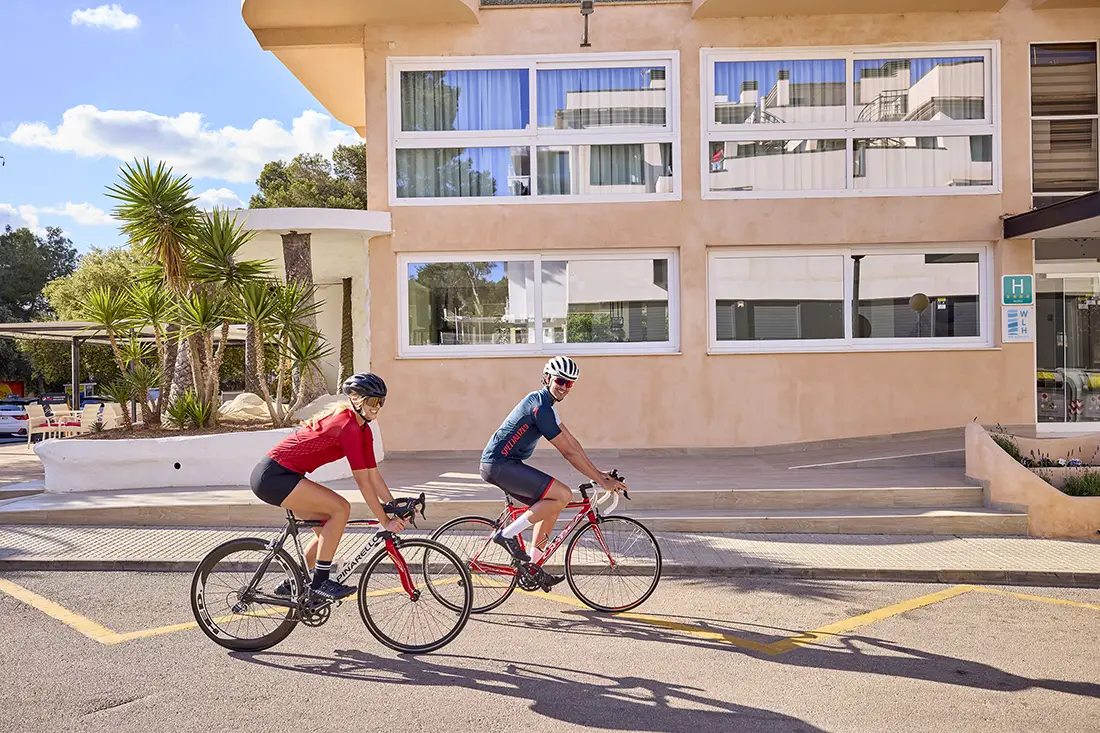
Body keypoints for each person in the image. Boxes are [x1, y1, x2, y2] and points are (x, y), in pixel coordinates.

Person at [249, 372, 405, 602]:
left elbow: (373, 476)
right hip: (274, 475)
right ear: (356, 400)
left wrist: (393, 506)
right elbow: (362, 483)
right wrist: (385, 521)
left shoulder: (363, 428)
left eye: (382, 401)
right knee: (340, 508)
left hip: (286, 475)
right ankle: (320, 583)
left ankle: (292, 583)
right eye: (373, 401)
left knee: (327, 533)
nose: (377, 407)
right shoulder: (347, 426)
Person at [480, 356, 627, 584]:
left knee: (552, 506)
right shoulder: (539, 406)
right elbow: (567, 452)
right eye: (560, 381)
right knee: (563, 494)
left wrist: (599, 474)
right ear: (547, 378)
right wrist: (598, 478)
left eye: (570, 384)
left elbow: (573, 444)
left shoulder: (548, 406)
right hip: (498, 464)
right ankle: (505, 535)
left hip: (507, 464)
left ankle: (532, 569)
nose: (564, 388)